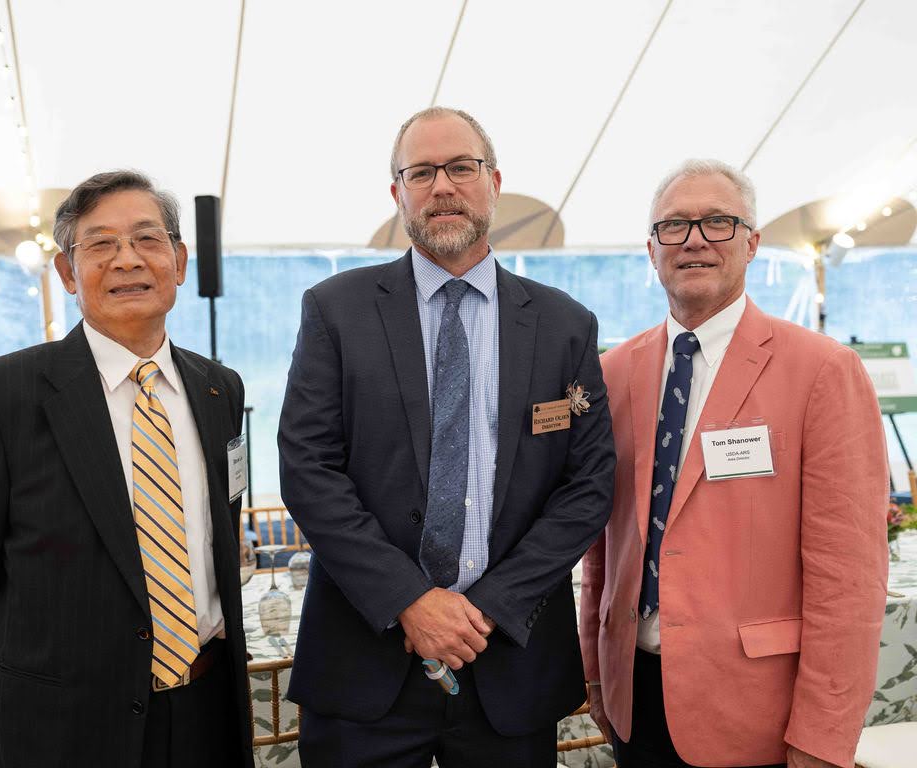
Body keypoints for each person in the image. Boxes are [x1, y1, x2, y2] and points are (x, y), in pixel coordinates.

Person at [277, 106, 615, 767]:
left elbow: (588, 485)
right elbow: (308, 469)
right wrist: (409, 599)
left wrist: (487, 607)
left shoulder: (564, 325)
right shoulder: (335, 311)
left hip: (507, 666)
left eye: (461, 167)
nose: (442, 186)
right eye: (421, 172)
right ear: (397, 192)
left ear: (494, 181)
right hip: (366, 662)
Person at [0, 170, 253, 768]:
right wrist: (30, 675)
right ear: (68, 273)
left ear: (179, 262)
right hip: (62, 726)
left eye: (148, 240)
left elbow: (219, 530)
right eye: (100, 245)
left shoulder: (218, 388)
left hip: (207, 712)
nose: (127, 260)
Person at [580, 159, 888, 768]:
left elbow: (848, 579)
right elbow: (602, 543)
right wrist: (594, 669)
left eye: (717, 222)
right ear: (651, 249)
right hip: (633, 700)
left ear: (752, 243)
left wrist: (823, 736)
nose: (694, 239)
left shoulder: (822, 371)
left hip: (757, 714)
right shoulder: (613, 374)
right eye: (674, 226)